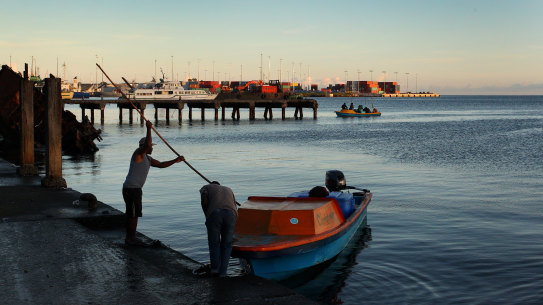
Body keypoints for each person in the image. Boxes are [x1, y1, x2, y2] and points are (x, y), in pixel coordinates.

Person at [122, 120, 184, 246]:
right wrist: (149, 128)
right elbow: (146, 146)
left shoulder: (147, 158)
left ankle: (130, 237)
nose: (152, 148)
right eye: (151, 146)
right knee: (133, 214)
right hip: (131, 189)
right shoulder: (138, 154)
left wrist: (175, 160)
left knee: (134, 214)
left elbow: (161, 165)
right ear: (145, 146)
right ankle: (130, 238)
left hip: (135, 189)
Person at [200, 181, 238, 277]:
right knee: (227, 244)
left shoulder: (206, 187)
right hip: (231, 214)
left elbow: (204, 201)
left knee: (214, 243)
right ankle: (223, 272)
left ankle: (215, 269)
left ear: (212, 184)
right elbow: (234, 205)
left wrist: (207, 216)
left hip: (215, 213)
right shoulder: (228, 189)